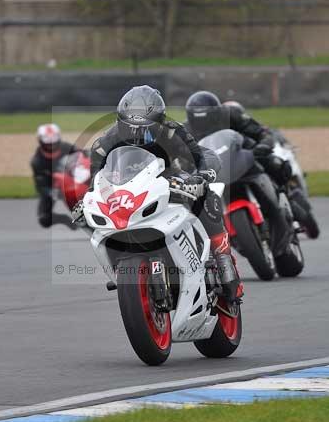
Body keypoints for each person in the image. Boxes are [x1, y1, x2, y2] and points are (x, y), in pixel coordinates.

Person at [72, 85, 242, 305]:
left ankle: (223, 258)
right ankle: (122, 272)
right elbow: (95, 180)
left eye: (145, 129)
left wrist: (201, 176)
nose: (136, 134)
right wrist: (86, 201)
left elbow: (202, 155)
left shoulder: (172, 131)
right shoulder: (104, 144)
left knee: (207, 197)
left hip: (168, 179)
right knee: (89, 219)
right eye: (129, 127)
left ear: (160, 121)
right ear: (120, 121)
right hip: (126, 189)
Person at [184, 91, 294, 256]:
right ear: (191, 118)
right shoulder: (186, 132)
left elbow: (261, 132)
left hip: (243, 154)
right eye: (199, 120)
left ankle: (285, 193)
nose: (204, 124)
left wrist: (263, 144)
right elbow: (179, 158)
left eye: (208, 118)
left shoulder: (232, 115)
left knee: (276, 163)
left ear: (217, 112)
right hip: (215, 171)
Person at [31, 123, 82, 230]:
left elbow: (85, 158)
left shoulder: (68, 148)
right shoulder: (37, 162)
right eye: (48, 144)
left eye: (53, 143)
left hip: (73, 183)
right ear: (41, 142)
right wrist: (55, 192)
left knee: (81, 213)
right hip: (52, 188)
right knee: (44, 219)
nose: (51, 147)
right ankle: (64, 219)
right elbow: (41, 186)